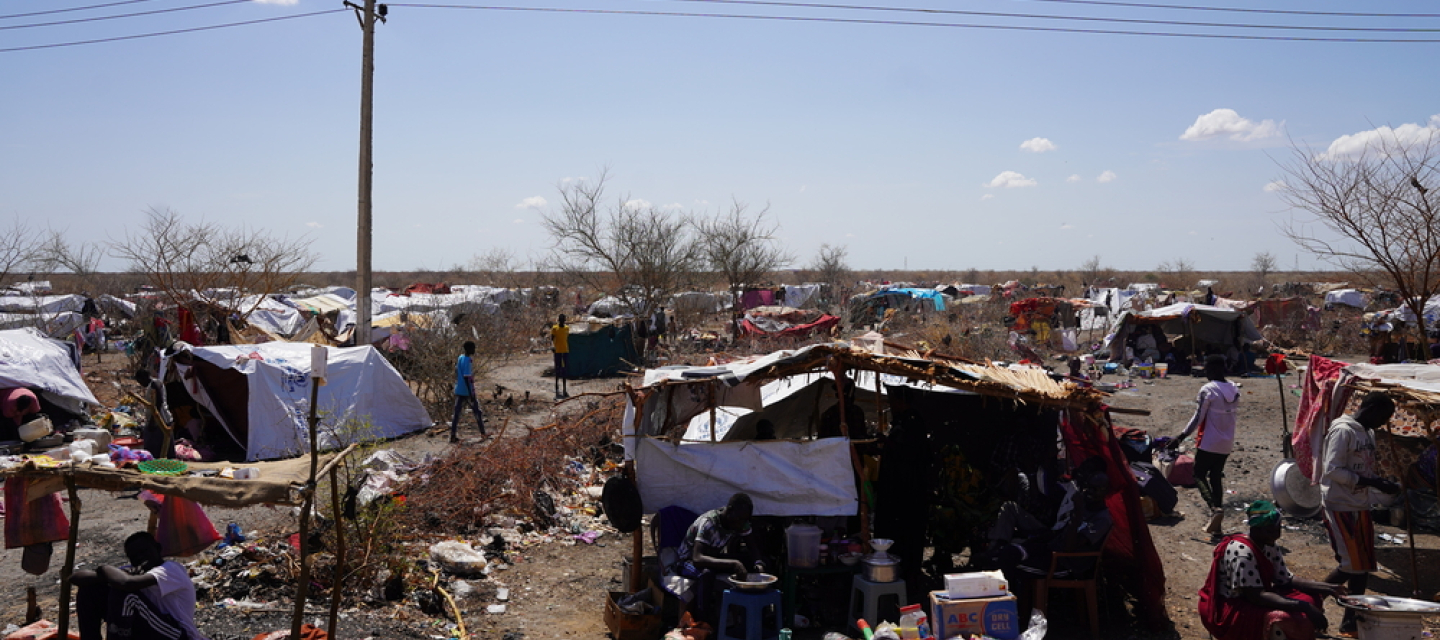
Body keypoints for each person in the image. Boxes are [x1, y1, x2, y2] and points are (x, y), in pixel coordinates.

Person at [1198, 500, 1343, 640]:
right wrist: (1304, 607)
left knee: (1311, 598)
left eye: (1277, 529)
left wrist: (1329, 588)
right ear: (1255, 529)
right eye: (1269, 530)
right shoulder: (1242, 551)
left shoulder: (1268, 544)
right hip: (1233, 605)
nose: (1275, 534)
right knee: (1284, 617)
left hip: (1255, 596)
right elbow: (1255, 596)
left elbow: (1285, 578)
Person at [1320, 391, 1401, 636]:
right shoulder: (1343, 430)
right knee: (1350, 565)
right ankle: (1306, 598)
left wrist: (1381, 482)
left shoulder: (1368, 433)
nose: (1383, 423)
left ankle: (1350, 621)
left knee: (1363, 566)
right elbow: (1332, 469)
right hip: (1340, 504)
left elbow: (1365, 468)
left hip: (1359, 503)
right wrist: (1372, 482)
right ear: (1372, 408)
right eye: (1383, 416)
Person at [73, 531, 206, 640]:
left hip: (178, 634)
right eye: (134, 556)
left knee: (125, 594)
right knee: (90, 590)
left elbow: (126, 583)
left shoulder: (170, 569)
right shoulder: (134, 569)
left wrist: (104, 569)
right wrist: (105, 574)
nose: (140, 558)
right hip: (151, 630)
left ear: (158, 549)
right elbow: (75, 578)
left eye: (144, 552)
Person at [1169, 355, 1240, 537]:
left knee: (1198, 473)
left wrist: (1181, 436)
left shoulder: (1208, 390)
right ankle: (1217, 524)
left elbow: (1198, 417)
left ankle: (1214, 507)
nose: (1206, 373)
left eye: (1208, 370)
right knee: (1216, 477)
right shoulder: (1233, 388)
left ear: (1214, 370)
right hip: (1226, 442)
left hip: (1209, 441)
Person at [668, 493, 766, 625]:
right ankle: (703, 621)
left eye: (745, 520)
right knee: (707, 574)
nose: (742, 524)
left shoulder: (740, 522)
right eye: (740, 519)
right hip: (687, 561)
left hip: (712, 557)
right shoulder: (709, 523)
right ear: (729, 511)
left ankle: (753, 615)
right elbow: (697, 558)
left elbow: (752, 547)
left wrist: (758, 564)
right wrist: (733, 564)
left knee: (750, 561)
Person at [450, 341, 487, 443]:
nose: (474, 350)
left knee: (456, 413)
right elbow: (467, 377)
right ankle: (483, 434)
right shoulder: (468, 360)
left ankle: (452, 435)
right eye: (473, 348)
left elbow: (457, 370)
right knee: (477, 412)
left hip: (459, 389)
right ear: (469, 349)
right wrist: (471, 394)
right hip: (466, 391)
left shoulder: (460, 357)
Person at [134, 370, 174, 459]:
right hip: (156, 418)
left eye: (140, 381)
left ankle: (157, 462)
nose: (140, 384)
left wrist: (153, 420)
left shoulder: (155, 384)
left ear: (144, 378)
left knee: (155, 445)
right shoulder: (151, 385)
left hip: (161, 419)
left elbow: (158, 403)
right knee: (159, 444)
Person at [549, 315, 570, 399]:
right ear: (558, 320)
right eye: (560, 319)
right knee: (557, 369)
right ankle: (557, 388)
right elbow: (551, 339)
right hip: (557, 351)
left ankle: (564, 389)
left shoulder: (567, 328)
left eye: (563, 319)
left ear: (565, 320)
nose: (562, 321)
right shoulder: (554, 328)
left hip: (565, 351)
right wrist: (552, 346)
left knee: (564, 370)